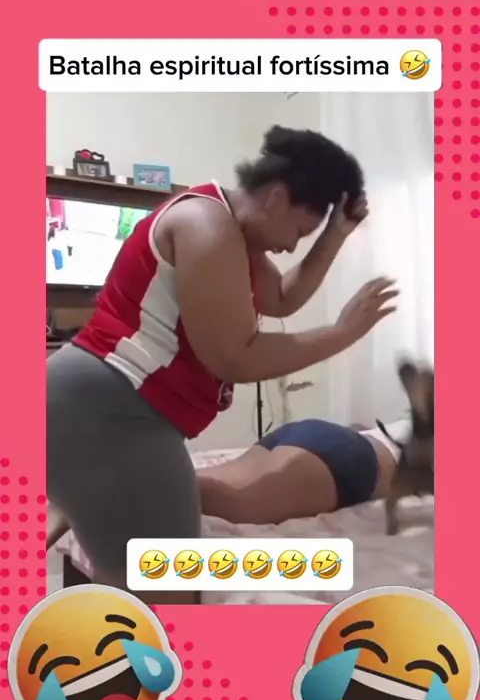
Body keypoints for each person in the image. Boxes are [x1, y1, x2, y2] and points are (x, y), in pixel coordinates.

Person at [47, 125, 399, 604]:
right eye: (300, 231)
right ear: (276, 198)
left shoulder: (229, 229)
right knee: (163, 590)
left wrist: (334, 235)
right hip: (110, 409)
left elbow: (281, 297)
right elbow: (233, 357)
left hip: (111, 408)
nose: (292, 246)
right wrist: (342, 334)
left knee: (152, 576)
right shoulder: (207, 226)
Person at [197, 418, 410, 525]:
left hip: (317, 432)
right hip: (349, 457)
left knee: (200, 484)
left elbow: (356, 426)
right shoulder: (421, 439)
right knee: (237, 502)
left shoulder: (399, 426)